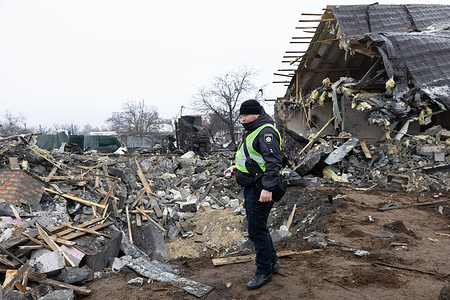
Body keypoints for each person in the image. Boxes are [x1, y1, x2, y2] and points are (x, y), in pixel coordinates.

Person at [224, 99, 283, 290]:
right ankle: (271, 263)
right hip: (252, 186)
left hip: (260, 189)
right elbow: (251, 157)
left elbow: (274, 163)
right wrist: (236, 168)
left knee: (256, 230)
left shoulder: (265, 132)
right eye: (241, 116)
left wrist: (267, 188)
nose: (243, 119)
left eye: (246, 115)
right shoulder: (253, 130)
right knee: (260, 228)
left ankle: (263, 272)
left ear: (256, 114)